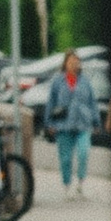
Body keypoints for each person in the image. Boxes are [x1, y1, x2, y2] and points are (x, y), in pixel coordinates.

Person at [41, 50, 101, 198]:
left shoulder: (85, 81)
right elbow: (51, 103)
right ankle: (67, 186)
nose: (74, 63)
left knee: (83, 153)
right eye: (71, 61)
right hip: (63, 125)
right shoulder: (57, 81)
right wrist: (49, 123)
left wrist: (96, 122)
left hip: (83, 124)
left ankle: (80, 184)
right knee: (65, 158)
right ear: (65, 63)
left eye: (76, 61)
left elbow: (92, 102)